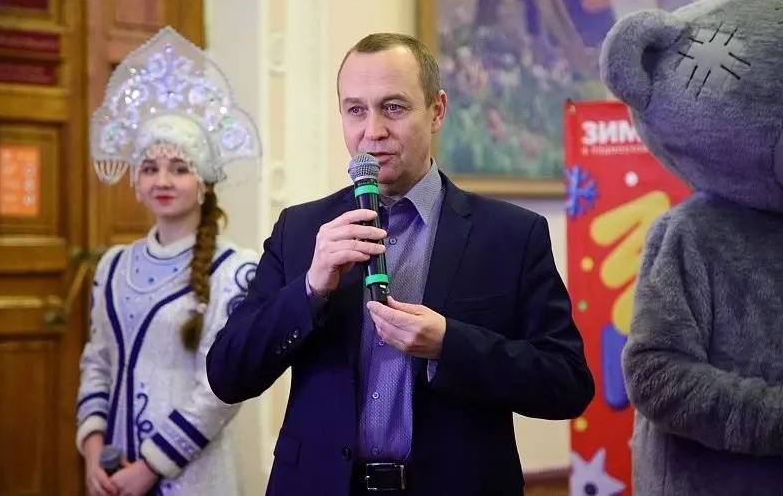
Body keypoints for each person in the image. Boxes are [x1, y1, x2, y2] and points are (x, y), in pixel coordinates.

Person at [206, 33, 594, 496]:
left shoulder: (511, 235)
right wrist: (309, 290)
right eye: (355, 110)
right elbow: (227, 375)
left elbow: (567, 383)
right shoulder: (301, 230)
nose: (372, 131)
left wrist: (450, 344)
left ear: (437, 111)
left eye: (393, 107)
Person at [75, 27, 261, 496]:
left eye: (180, 169)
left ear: (204, 184)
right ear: (135, 182)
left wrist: (150, 467)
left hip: (191, 477)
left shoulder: (235, 271)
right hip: (111, 472)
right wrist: (93, 451)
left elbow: (221, 389)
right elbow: (97, 361)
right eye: (150, 168)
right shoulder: (112, 266)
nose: (162, 181)